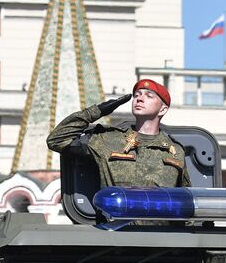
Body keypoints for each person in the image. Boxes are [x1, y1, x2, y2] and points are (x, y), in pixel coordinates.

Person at [47, 78, 189, 189]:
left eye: (149, 96)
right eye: (137, 95)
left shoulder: (175, 151)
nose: (139, 98)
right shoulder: (107, 139)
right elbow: (57, 140)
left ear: (163, 109)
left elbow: (186, 197)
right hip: (119, 224)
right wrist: (96, 112)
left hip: (162, 226)